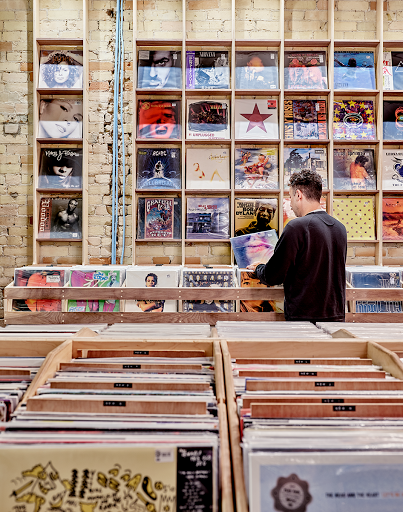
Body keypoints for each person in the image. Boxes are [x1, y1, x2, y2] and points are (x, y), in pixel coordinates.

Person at [247, 169, 347, 322]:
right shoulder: (339, 228)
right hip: (336, 316)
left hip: (304, 318)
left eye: (290, 197)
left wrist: (259, 269)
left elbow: (273, 275)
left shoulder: (296, 227)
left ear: (298, 195)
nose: (291, 204)